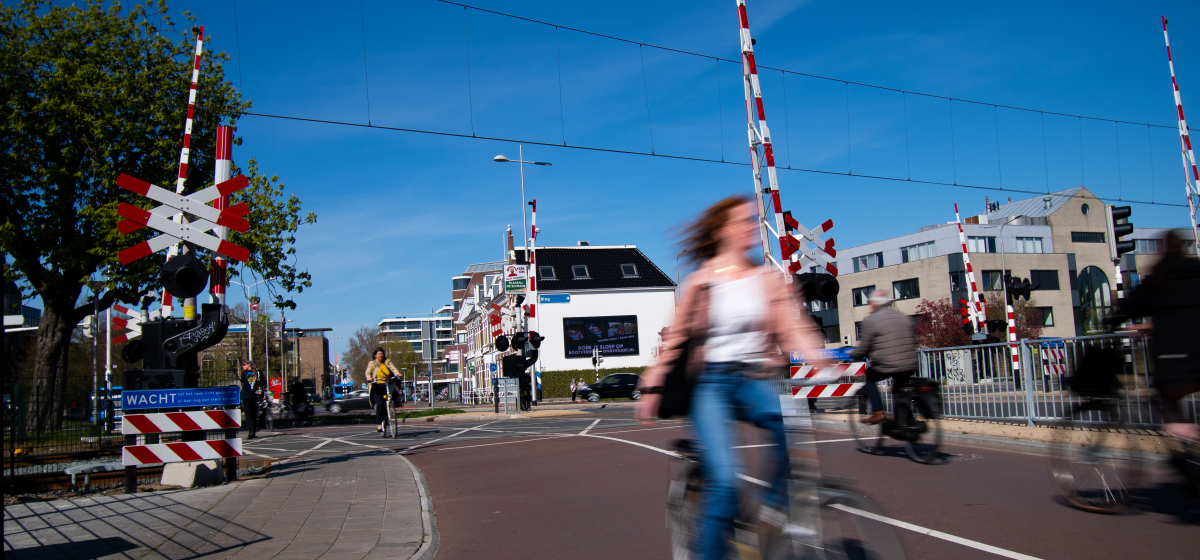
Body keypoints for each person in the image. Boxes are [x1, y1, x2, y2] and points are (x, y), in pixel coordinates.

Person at [635, 194, 828, 560]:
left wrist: (824, 359)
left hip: (750, 380)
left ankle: (771, 510)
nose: (750, 228)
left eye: (752, 221)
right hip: (711, 383)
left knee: (792, 424)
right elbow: (676, 338)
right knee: (724, 482)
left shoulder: (765, 279)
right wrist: (653, 384)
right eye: (741, 222)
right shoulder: (701, 281)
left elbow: (792, 326)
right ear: (722, 230)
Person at [1111, 230, 1200, 442]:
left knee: (1166, 398)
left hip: (1175, 358)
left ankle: (1189, 442)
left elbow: (1132, 305)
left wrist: (1113, 321)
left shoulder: (1160, 276)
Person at [849, 289, 918, 425]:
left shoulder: (871, 320)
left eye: (870, 303)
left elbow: (864, 348)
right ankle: (905, 421)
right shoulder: (902, 316)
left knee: (868, 377)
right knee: (897, 390)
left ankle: (878, 412)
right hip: (910, 363)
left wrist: (853, 354)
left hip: (888, 364)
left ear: (874, 304)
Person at [364, 347, 401, 435]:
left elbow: (393, 368)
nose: (381, 355)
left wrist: (397, 374)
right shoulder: (372, 363)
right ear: (375, 356)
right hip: (377, 385)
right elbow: (368, 372)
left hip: (387, 384)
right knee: (380, 404)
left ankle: (390, 411)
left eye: (382, 353)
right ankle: (379, 424)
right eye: (379, 354)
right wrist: (369, 378)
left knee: (390, 399)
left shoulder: (387, 362)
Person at [239, 362, 265, 439]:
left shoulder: (244, 373)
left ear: (248, 365)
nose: (243, 366)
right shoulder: (258, 372)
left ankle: (250, 431)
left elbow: (243, 381)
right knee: (254, 413)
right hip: (255, 394)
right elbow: (262, 382)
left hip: (246, 395)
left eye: (244, 364)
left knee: (248, 414)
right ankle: (253, 431)